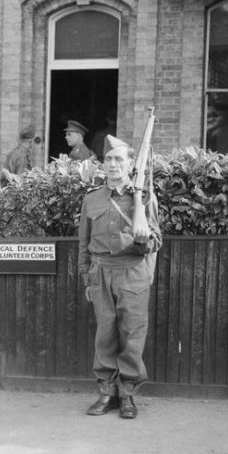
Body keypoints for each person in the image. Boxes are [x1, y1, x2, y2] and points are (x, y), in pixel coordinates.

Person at [77, 134, 161, 419]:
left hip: (133, 272)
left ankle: (127, 394)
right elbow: (83, 244)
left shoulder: (144, 198)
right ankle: (106, 392)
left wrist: (143, 240)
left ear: (129, 165)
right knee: (106, 334)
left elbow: (156, 242)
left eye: (119, 159)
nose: (113, 165)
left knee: (132, 334)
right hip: (101, 273)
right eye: (108, 159)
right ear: (103, 164)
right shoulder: (91, 199)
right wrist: (87, 280)